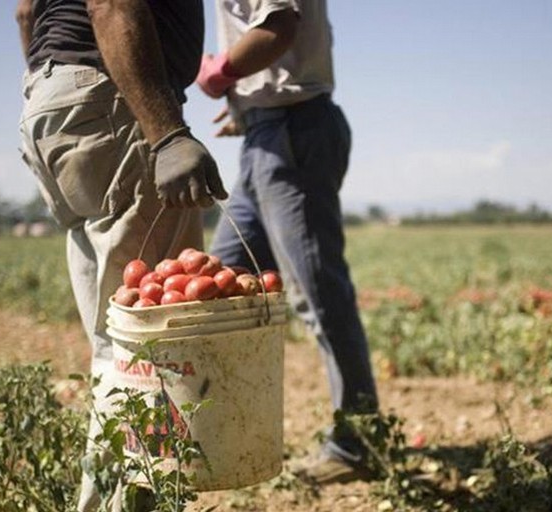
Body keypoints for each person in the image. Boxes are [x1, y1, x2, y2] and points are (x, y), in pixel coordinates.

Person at [15, 0, 227, 509]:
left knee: (118, 346)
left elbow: (25, 13)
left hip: (53, 103)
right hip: (111, 98)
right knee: (154, 348)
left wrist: (60, 88)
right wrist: (168, 133)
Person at [196, 0, 379, 485]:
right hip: (268, 134)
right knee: (217, 284)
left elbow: (278, 28)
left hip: (293, 131)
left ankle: (356, 443)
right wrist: (249, 110)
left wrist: (220, 73)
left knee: (318, 294)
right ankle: (221, 432)